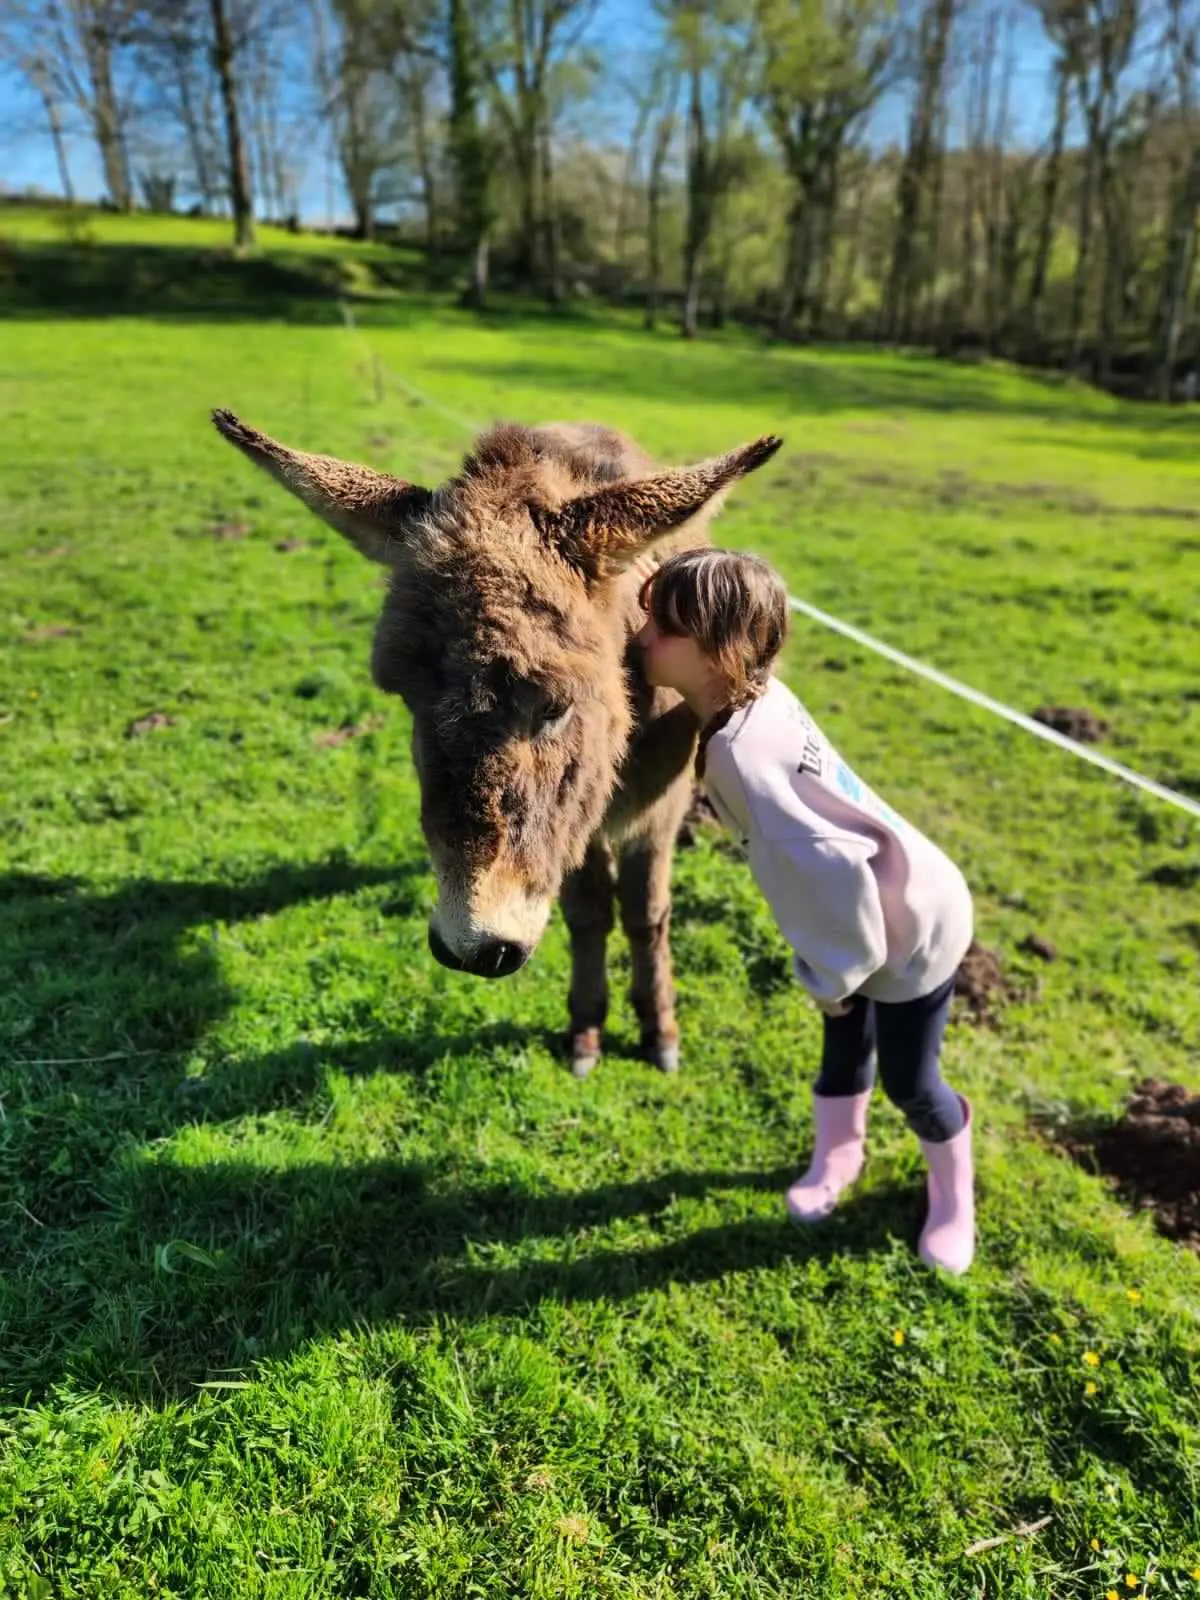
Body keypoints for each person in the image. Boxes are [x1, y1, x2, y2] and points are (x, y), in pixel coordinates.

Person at [634, 547, 976, 1274]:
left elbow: (831, 877)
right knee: (842, 1055)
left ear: (718, 648)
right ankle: (838, 1156)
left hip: (908, 934)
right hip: (885, 903)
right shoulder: (753, 694)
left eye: (660, 628)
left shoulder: (745, 764)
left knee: (912, 1083)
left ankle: (953, 1194)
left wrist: (831, 980)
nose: (642, 641)